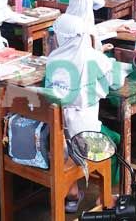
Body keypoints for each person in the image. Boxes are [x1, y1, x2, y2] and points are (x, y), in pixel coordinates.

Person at [44, 14, 123, 213]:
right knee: (115, 139)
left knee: (68, 140)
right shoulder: (93, 57)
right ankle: (105, 196)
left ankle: (72, 194)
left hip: (56, 138)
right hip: (85, 139)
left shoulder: (53, 60)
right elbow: (117, 81)